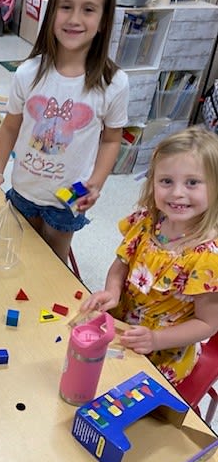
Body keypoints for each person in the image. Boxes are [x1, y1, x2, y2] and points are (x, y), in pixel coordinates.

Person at [0, 0, 128, 264]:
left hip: (68, 198)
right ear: (51, 14)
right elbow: (10, 126)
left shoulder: (113, 83)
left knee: (52, 265)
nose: (74, 19)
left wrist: (96, 183)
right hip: (24, 190)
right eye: (66, 7)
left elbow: (112, 139)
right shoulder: (28, 73)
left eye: (88, 9)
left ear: (103, 20)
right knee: (20, 257)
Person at [81, 127, 218, 386]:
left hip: (163, 349)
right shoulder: (146, 222)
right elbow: (120, 266)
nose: (177, 193)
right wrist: (112, 292)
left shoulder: (209, 257)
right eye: (166, 181)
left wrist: (155, 339)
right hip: (121, 326)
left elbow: (207, 324)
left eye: (192, 182)